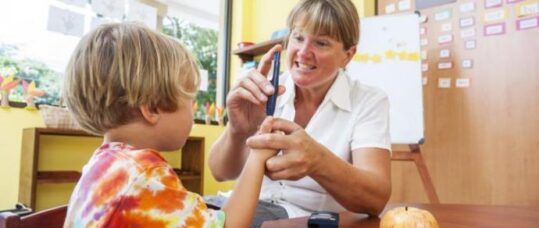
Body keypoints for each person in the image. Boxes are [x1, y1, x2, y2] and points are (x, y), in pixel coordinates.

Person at [62, 22, 278, 227]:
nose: (192, 111)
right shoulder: (146, 174)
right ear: (153, 108)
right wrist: (258, 157)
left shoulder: (103, 164)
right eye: (189, 101)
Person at [208, 0, 392, 225]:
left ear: (348, 55)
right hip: (239, 204)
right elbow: (220, 172)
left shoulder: (368, 101)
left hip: (301, 216)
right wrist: (237, 131)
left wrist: (317, 161)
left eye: (321, 43)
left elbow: (376, 199)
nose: (304, 53)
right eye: (298, 37)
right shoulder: (265, 90)